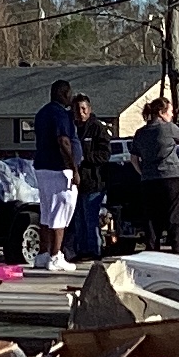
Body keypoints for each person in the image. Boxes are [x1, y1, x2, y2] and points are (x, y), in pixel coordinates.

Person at [32, 78, 80, 273]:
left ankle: (43, 254)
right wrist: (73, 169)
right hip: (58, 170)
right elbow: (64, 141)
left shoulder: (42, 113)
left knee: (46, 212)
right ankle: (55, 256)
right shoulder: (60, 114)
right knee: (61, 212)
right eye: (69, 94)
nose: (70, 97)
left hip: (42, 167)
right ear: (63, 94)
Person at [132, 97, 179, 250]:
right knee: (175, 218)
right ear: (161, 113)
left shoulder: (140, 133)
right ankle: (177, 252)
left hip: (148, 180)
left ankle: (152, 252)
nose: (172, 115)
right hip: (172, 177)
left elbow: (133, 158)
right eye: (170, 112)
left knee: (151, 220)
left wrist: (143, 172)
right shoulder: (168, 128)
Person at [65, 91, 109, 263]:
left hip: (93, 182)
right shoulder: (69, 127)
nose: (80, 113)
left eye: (83, 109)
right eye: (77, 109)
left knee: (90, 219)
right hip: (74, 183)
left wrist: (85, 158)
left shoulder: (97, 127)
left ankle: (94, 250)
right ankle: (79, 250)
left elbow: (105, 154)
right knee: (77, 220)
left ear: (89, 109)